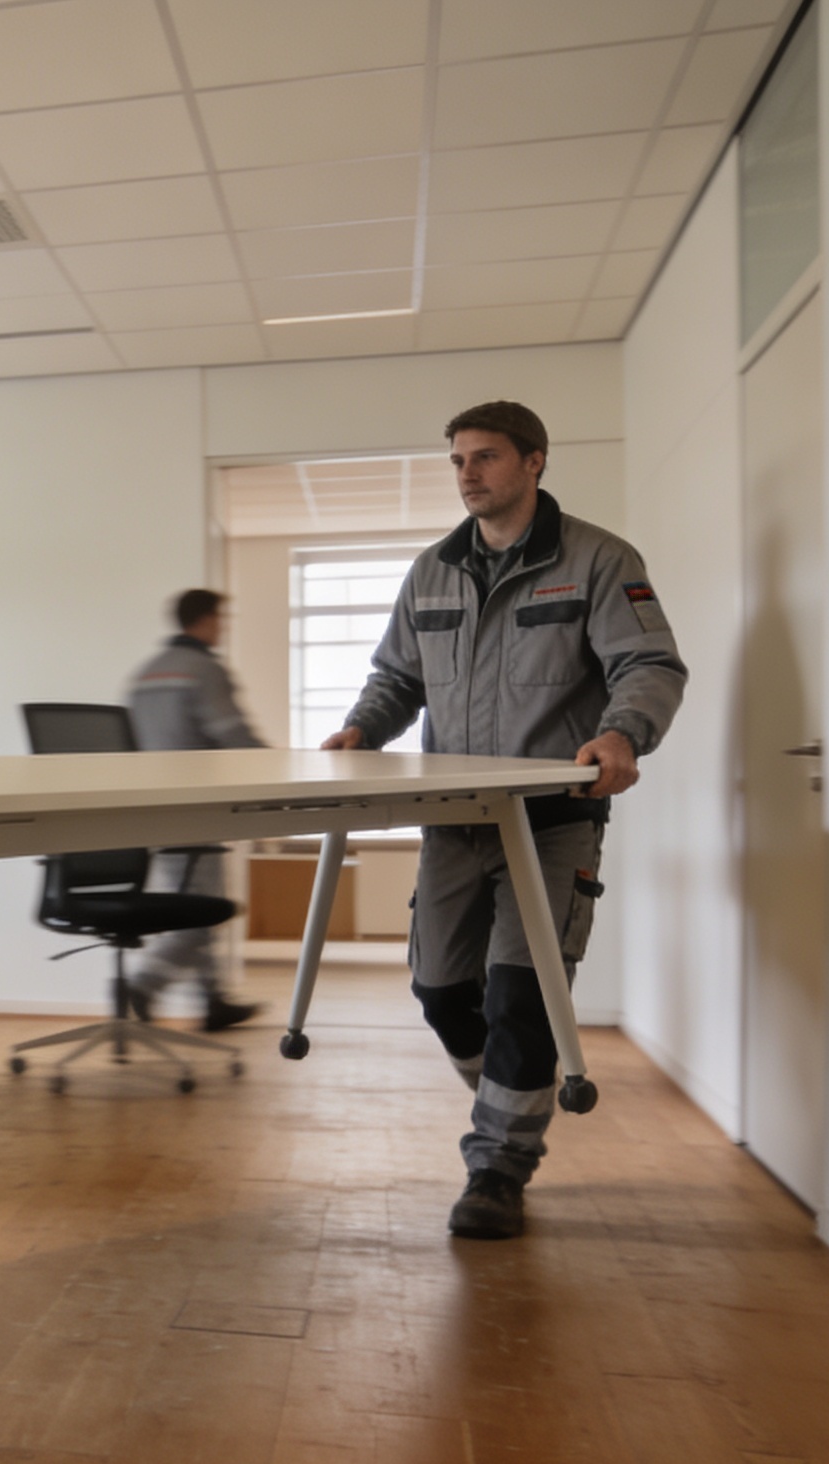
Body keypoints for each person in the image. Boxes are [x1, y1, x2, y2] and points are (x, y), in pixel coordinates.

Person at [321, 401, 685, 1239]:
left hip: (551, 818)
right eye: (457, 461)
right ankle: (512, 1096)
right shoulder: (431, 571)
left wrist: (622, 732)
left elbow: (648, 662)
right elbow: (397, 678)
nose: (468, 474)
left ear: (535, 462)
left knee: (521, 995)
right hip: (451, 822)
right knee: (442, 990)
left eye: (485, 457)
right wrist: (364, 727)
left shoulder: (597, 559)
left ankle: (497, 1167)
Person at [123, 588, 264, 1031]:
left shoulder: (144, 674)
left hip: (153, 808)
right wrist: (277, 766)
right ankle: (143, 984)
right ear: (203, 620)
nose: (222, 626)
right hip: (197, 808)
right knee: (201, 912)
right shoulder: (202, 669)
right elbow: (231, 732)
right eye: (221, 618)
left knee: (192, 902)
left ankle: (212, 1000)